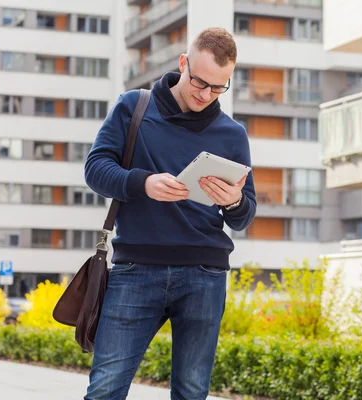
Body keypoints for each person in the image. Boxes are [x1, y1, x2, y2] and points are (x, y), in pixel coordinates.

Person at [83, 27, 257, 400]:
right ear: (183, 63)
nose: (205, 94)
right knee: (105, 388)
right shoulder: (134, 107)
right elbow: (95, 169)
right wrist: (144, 184)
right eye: (199, 82)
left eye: (217, 88)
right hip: (136, 269)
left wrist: (232, 201)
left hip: (205, 275)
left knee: (192, 392)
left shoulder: (232, 134)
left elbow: (244, 215)